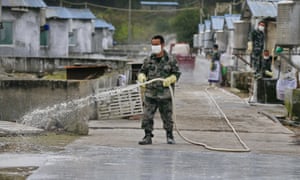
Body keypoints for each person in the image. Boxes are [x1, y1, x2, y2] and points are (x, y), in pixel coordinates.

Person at [137, 35, 181, 145]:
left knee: (167, 116)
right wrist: (141, 77)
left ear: (162, 45)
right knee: (147, 116)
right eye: (153, 44)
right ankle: (147, 136)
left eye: (156, 44)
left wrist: (171, 79)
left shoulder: (170, 60)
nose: (154, 47)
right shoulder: (148, 60)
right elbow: (142, 71)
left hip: (165, 94)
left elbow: (176, 73)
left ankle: (169, 135)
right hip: (150, 94)